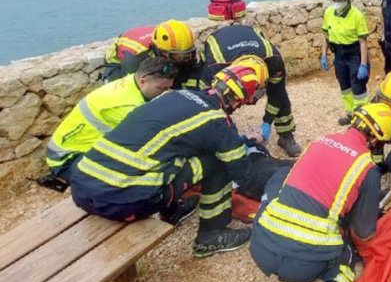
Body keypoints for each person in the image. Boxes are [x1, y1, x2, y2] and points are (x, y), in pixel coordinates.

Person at [69, 57, 277, 257]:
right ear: (244, 98)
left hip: (82, 188)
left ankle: (172, 210)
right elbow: (242, 175)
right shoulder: (216, 121)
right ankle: (211, 236)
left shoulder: (172, 96)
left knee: (170, 152)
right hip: (120, 202)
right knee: (217, 163)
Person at [249, 103, 391, 282]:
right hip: (302, 267)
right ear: (374, 139)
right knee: (350, 251)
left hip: (259, 248)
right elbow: (364, 229)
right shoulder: (366, 168)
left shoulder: (319, 141)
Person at [42, 57, 177, 191]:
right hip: (67, 159)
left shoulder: (132, 81)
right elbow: (151, 138)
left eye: (169, 88)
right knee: (145, 172)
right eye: (161, 88)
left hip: (82, 150)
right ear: (143, 81)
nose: (166, 93)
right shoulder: (127, 105)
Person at [200, 24, 302, 157]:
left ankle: (286, 136)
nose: (251, 101)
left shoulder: (274, 60)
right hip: (218, 44)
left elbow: (277, 94)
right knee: (219, 104)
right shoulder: (214, 67)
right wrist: (231, 137)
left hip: (249, 38)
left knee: (281, 97)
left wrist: (267, 122)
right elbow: (207, 102)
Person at [320, 0, 371, 126]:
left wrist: (363, 64)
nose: (336, 3)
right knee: (345, 87)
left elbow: (363, 42)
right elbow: (326, 36)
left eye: (339, 0)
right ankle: (350, 114)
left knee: (358, 88)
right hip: (339, 55)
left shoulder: (357, 16)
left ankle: (361, 118)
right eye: (333, 0)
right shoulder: (329, 13)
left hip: (354, 54)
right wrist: (323, 55)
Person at [102, 19, 202, 87]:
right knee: (119, 89)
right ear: (161, 51)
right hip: (118, 63)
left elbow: (191, 71)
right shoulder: (137, 55)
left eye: (187, 55)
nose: (183, 59)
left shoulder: (179, 46)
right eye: (177, 56)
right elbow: (137, 84)